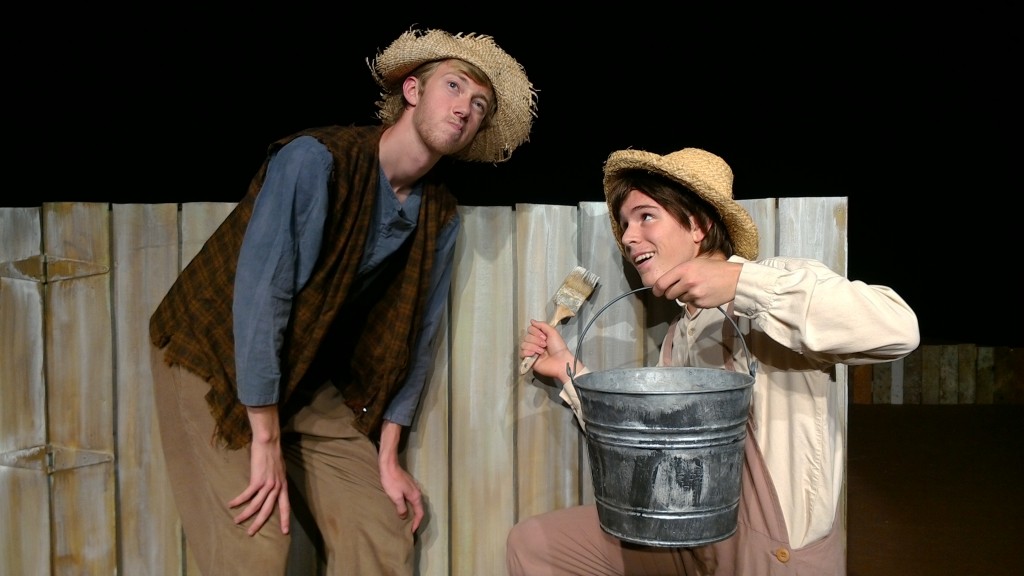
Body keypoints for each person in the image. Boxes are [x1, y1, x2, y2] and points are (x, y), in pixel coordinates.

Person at [148, 28, 536, 575]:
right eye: (454, 87)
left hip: (302, 370)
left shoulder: (437, 212)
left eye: (479, 105)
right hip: (212, 351)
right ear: (412, 91)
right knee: (257, 540)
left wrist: (387, 455)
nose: (464, 109)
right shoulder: (317, 161)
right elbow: (263, 297)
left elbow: (416, 337)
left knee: (380, 523)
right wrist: (265, 438)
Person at [509, 147, 919, 575]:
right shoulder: (676, 339)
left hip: (770, 553)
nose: (629, 237)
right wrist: (569, 372)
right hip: (690, 535)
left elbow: (899, 329)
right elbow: (649, 442)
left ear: (700, 224)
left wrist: (743, 283)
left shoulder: (772, 289)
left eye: (646, 216)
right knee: (536, 545)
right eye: (626, 224)